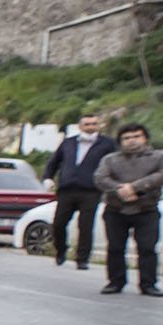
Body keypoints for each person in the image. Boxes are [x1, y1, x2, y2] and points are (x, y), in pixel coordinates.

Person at [95, 122, 163, 297]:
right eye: (127, 138)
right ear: (120, 141)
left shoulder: (160, 156)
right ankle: (115, 282)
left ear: (145, 138)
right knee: (115, 247)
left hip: (146, 209)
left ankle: (148, 284)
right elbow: (100, 178)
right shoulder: (110, 159)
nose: (132, 141)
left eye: (136, 136)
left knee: (147, 248)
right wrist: (120, 189)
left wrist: (135, 188)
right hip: (116, 209)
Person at [43, 111, 112, 269]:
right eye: (87, 124)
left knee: (85, 225)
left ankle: (82, 258)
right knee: (59, 223)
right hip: (67, 189)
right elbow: (54, 162)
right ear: (80, 126)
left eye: (94, 124)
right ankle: (61, 250)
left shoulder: (107, 144)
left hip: (91, 190)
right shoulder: (68, 142)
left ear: (98, 125)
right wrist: (48, 177)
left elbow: (114, 164)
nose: (90, 127)